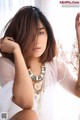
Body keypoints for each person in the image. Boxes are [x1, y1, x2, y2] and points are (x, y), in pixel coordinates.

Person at [0, 6, 80, 120]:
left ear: (48, 34)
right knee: (29, 115)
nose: (37, 40)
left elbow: (78, 92)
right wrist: (16, 51)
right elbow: (26, 103)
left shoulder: (55, 66)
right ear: (18, 35)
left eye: (41, 32)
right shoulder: (5, 64)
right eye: (30, 34)